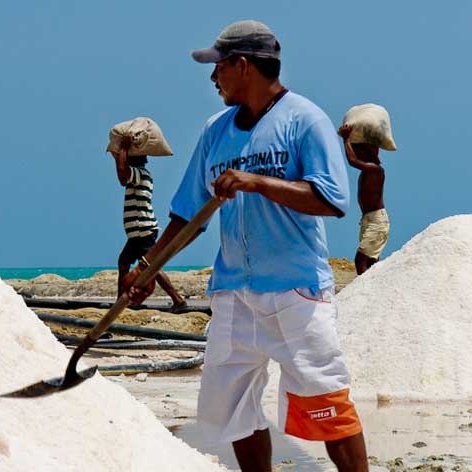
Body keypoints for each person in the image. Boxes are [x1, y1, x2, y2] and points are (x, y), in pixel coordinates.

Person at [123, 20, 368, 472]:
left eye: (218, 67)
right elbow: (187, 214)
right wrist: (149, 269)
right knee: (232, 410)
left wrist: (256, 181)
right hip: (233, 291)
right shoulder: (216, 130)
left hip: (297, 292)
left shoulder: (304, 119)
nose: (212, 78)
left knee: (325, 402)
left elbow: (332, 200)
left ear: (242, 65)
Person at [110, 134, 187, 313]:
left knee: (150, 267)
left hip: (143, 230)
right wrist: (120, 154)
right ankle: (121, 300)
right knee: (124, 262)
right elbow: (123, 176)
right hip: (137, 233)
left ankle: (178, 300)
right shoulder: (137, 173)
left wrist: (121, 150)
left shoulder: (140, 173)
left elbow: (122, 176)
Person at [338, 124, 389, 275]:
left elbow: (352, 160)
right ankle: (373, 292)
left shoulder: (375, 169)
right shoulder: (368, 170)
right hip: (368, 220)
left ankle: (363, 294)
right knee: (371, 262)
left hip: (377, 221)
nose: (358, 153)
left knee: (361, 259)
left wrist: (346, 139)